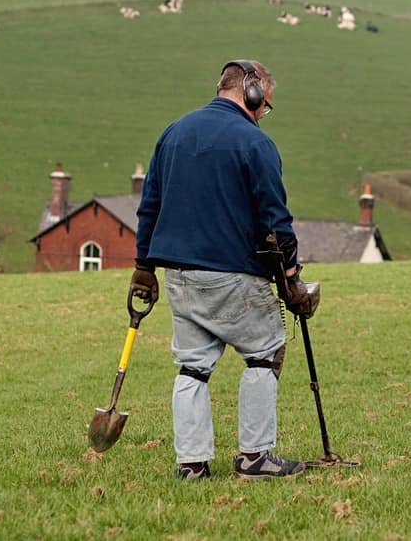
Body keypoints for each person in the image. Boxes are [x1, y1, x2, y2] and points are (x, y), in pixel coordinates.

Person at [130, 59, 319, 481]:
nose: (262, 114)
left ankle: (192, 464)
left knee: (193, 366)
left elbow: (150, 207)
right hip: (234, 274)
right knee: (265, 353)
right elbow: (276, 219)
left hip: (178, 275)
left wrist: (143, 268)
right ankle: (255, 458)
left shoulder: (173, 133)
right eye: (264, 105)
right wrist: (292, 280)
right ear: (251, 93)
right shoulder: (255, 143)